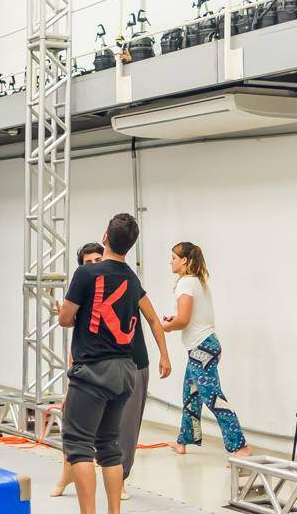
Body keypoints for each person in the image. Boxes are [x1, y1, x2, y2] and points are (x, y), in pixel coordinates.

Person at [57, 215, 171, 514]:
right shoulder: (132, 279)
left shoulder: (86, 274)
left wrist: (66, 312)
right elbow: (150, 318)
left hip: (93, 370)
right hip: (125, 371)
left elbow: (66, 319)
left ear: (105, 236)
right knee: (110, 446)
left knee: (79, 446)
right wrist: (164, 354)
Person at [162, 241, 250, 458]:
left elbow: (183, 320)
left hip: (202, 348)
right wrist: (175, 320)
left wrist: (167, 326)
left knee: (212, 397)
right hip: (203, 346)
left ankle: (241, 447)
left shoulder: (185, 283)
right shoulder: (197, 282)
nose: (170, 261)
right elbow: (193, 317)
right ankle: (183, 440)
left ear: (184, 260)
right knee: (190, 394)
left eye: (173, 257)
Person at [51, 243, 105, 498]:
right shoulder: (82, 291)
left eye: (98, 260)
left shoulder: (115, 288)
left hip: (111, 369)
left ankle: (120, 483)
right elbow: (73, 332)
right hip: (85, 367)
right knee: (72, 431)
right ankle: (66, 476)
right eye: (88, 263)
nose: (94, 266)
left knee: (109, 434)